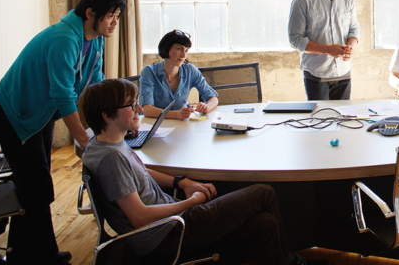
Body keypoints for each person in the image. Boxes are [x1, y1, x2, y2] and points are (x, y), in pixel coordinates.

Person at [80, 79, 295, 264]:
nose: (138, 109)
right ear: (107, 115)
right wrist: (191, 202)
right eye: (131, 105)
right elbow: (139, 217)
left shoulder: (101, 144)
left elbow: (139, 172)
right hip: (168, 235)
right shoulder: (111, 159)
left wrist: (180, 182)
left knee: (265, 224)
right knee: (264, 193)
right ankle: (293, 261)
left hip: (169, 225)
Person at [0, 0, 123, 264]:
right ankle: (43, 256)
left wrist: (118, 112)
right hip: (14, 118)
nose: (115, 23)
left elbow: (95, 83)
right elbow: (63, 96)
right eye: (111, 16)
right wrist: (85, 139)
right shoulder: (64, 39)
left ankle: (20, 253)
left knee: (31, 186)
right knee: (37, 188)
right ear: (90, 13)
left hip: (40, 117)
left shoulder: (94, 38)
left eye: (117, 16)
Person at [288, 0, 360, 100]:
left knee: (343, 120)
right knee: (321, 121)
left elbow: (354, 29)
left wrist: (350, 48)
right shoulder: (302, 0)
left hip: (343, 72)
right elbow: (295, 40)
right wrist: (328, 50)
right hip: (316, 74)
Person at [139, 30, 219, 120]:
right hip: (151, 126)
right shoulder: (149, 72)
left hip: (179, 126)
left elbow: (213, 98)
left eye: (186, 50)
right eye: (179, 49)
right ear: (166, 49)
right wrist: (176, 115)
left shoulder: (190, 70)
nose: (184, 55)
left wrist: (206, 107)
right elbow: (147, 110)